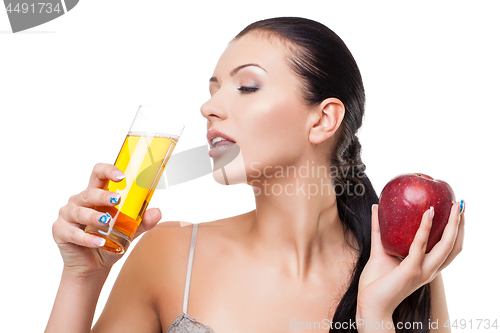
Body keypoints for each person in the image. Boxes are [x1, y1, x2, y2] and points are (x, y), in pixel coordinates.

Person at [45, 17, 465, 333]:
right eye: (213, 91)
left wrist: (376, 316)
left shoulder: (403, 269)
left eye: (247, 87)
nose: (208, 109)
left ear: (322, 120)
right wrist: (83, 277)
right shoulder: (169, 255)